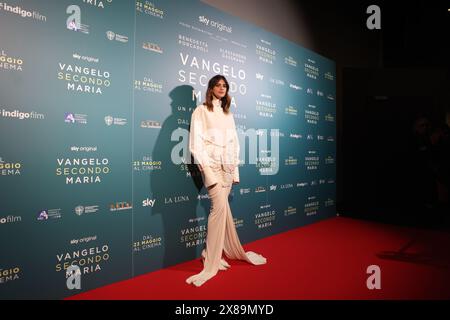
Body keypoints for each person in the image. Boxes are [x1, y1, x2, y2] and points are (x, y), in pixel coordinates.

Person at [186, 75, 267, 287]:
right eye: (218, 85)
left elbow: (234, 143)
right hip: (211, 166)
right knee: (218, 210)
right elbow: (195, 144)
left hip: (228, 167)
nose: (221, 88)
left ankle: (211, 252)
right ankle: (210, 257)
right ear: (211, 88)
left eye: (224, 86)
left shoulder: (227, 113)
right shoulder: (201, 111)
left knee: (222, 212)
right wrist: (208, 172)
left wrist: (235, 172)